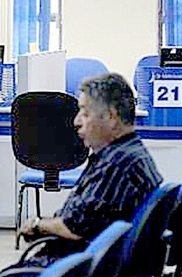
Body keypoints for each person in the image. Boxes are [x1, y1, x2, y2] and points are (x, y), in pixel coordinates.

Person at [3, 73, 163, 271]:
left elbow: (74, 228)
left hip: (72, 267)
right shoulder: (129, 154)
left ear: (111, 117)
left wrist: (37, 225)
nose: (76, 121)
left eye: (85, 114)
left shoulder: (117, 165)